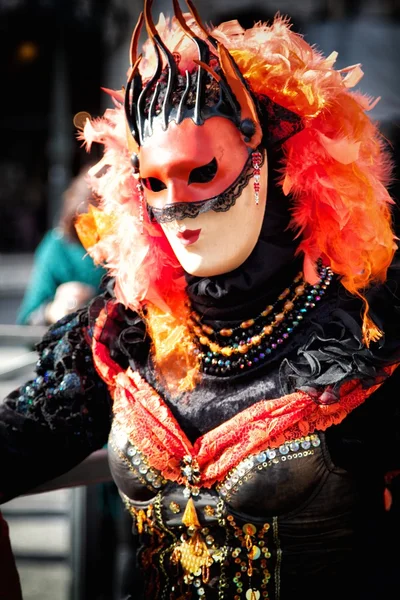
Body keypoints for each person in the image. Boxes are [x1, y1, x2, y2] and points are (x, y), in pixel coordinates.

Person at [1, 2, 400, 599]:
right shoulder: (125, 330)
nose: (177, 209)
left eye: (202, 172)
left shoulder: (364, 329)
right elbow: (21, 442)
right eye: (155, 183)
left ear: (270, 163)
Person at [16, 165, 106, 326]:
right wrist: (53, 310)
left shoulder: (138, 250)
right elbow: (27, 320)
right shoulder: (58, 248)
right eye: (86, 228)